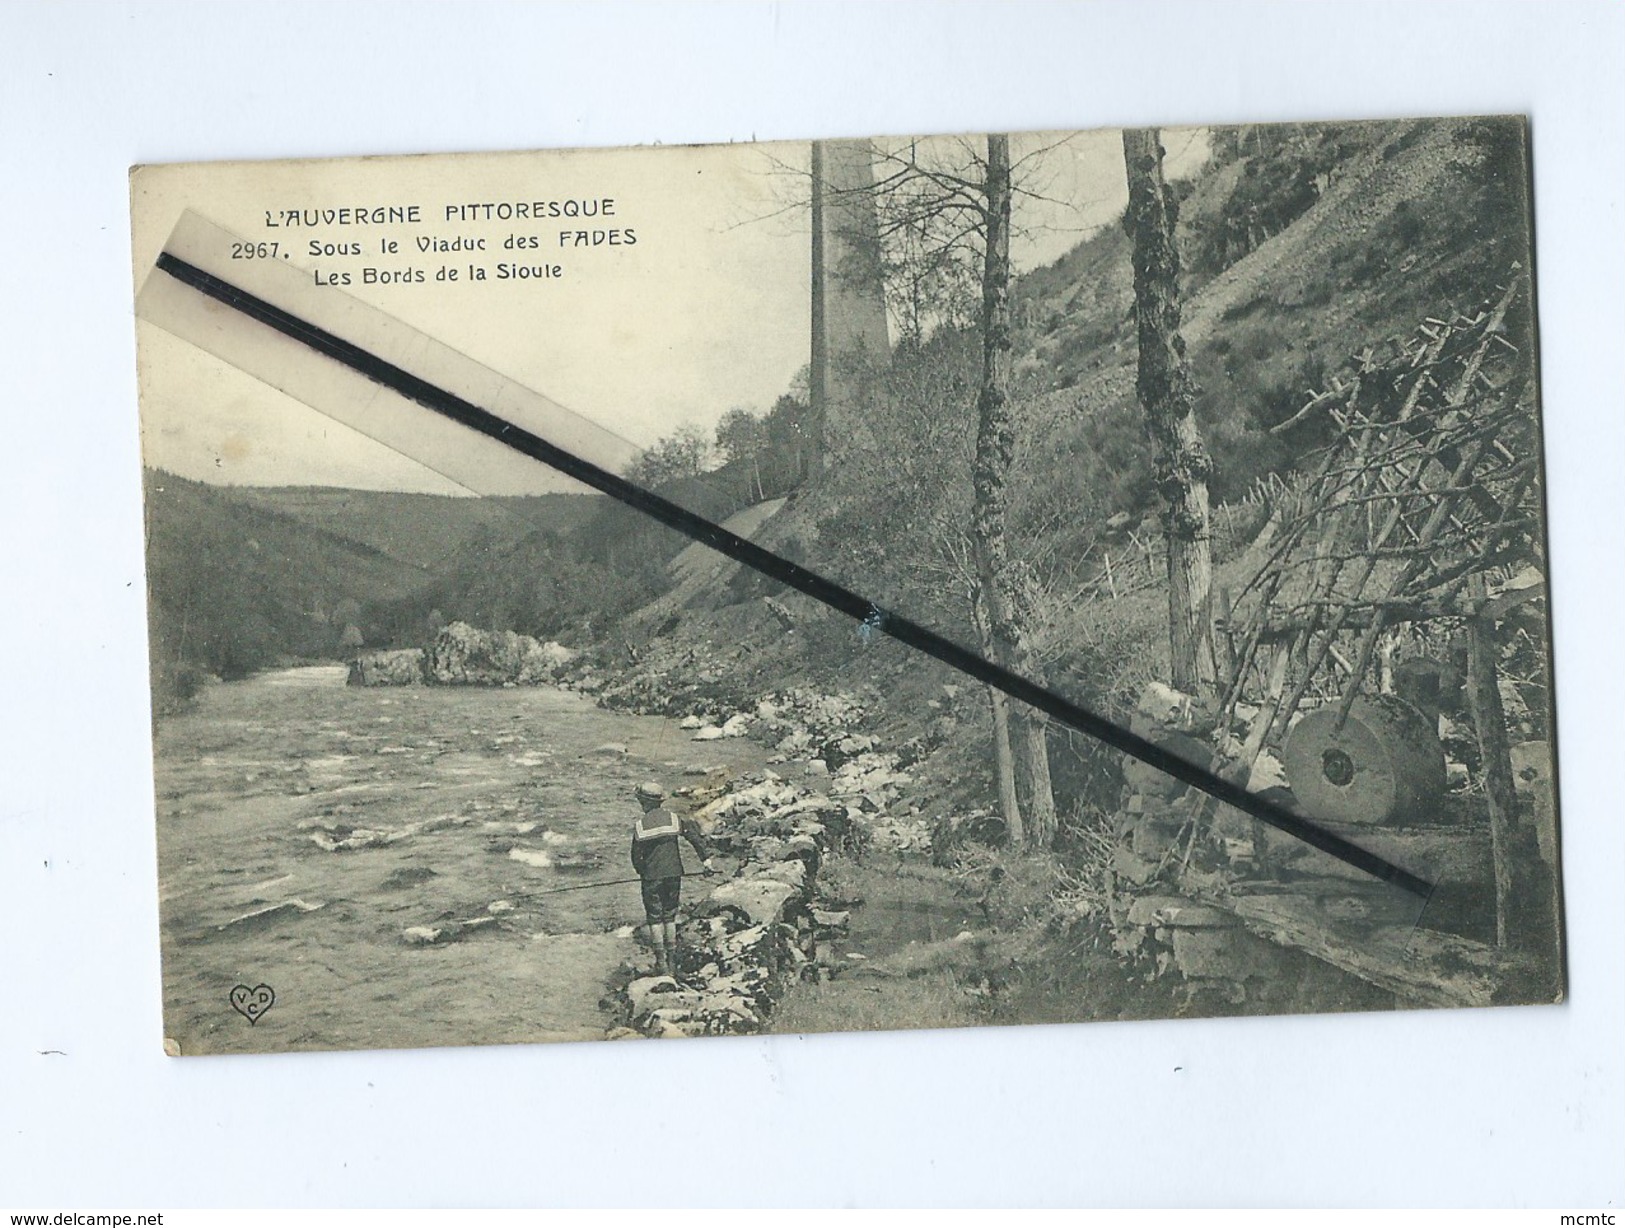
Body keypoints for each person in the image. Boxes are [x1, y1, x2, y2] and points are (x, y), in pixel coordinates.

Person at [629, 781, 714, 977]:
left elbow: (636, 856)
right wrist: (706, 861)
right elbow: (694, 837)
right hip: (674, 873)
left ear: (644, 802)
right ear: (660, 801)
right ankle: (672, 961)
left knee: (655, 918)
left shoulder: (641, 826)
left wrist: (642, 872)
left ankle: (661, 963)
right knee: (670, 916)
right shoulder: (674, 819)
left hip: (651, 877)